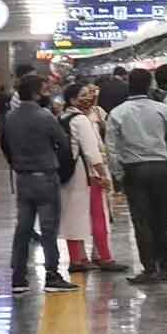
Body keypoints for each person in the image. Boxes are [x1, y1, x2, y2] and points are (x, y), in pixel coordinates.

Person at [106, 68, 167, 285]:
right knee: (163, 220)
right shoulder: (162, 108)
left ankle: (149, 269)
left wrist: (118, 175)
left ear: (128, 85)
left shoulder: (117, 113)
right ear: (149, 85)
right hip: (161, 168)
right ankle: (165, 267)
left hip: (135, 171)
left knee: (142, 222)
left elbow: (111, 149)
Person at [2, 75, 78, 294]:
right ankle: (52, 275)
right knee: (48, 229)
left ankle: (18, 278)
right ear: (36, 93)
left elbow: (4, 144)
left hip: (23, 178)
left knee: (23, 228)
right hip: (45, 176)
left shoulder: (10, 117)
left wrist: (16, 162)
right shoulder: (45, 116)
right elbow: (64, 143)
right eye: (44, 89)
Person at [57, 84, 128, 274]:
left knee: (73, 216)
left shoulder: (62, 117)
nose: (88, 98)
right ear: (72, 100)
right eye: (83, 95)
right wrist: (103, 175)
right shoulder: (81, 120)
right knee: (99, 215)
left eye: (89, 94)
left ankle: (77, 259)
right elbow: (92, 152)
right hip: (89, 175)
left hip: (68, 174)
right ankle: (105, 257)